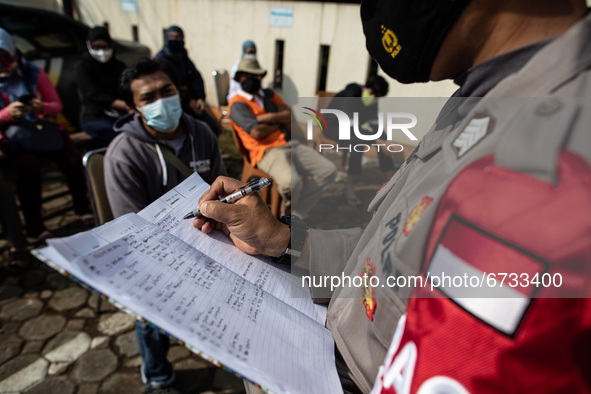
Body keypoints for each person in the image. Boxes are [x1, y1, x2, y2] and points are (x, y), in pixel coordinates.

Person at [193, 0, 591, 392]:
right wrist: (287, 241)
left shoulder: (560, 161)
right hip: (320, 345)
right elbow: (385, 254)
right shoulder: (480, 96)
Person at [104, 58, 226, 392]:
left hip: (207, 236)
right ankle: (157, 374)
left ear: (179, 91)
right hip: (155, 251)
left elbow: (220, 187)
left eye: (166, 91)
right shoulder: (124, 154)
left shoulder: (202, 133)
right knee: (148, 313)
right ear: (134, 107)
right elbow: (131, 226)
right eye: (147, 97)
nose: (161, 102)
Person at [0, 28, 92, 240]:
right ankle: (35, 226)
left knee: (72, 160)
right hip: (14, 138)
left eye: (4, 55)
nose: (2, 61)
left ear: (12, 51)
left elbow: (56, 105)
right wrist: (7, 114)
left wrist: (39, 107)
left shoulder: (32, 72)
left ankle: (84, 208)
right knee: (29, 170)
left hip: (44, 130)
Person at [229, 56, 337, 219]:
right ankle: (289, 211)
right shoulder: (237, 104)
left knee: (329, 171)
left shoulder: (269, 94)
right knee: (291, 182)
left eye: (256, 75)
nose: (253, 79)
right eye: (248, 75)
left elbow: (290, 115)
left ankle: (295, 212)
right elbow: (257, 132)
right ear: (239, 78)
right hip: (265, 151)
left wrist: (266, 118)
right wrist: (279, 121)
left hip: (289, 143)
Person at [325, 75, 392, 206]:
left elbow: (375, 124)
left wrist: (386, 142)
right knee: (358, 143)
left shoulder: (372, 103)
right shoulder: (350, 95)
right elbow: (349, 124)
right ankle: (350, 188)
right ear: (366, 88)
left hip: (350, 129)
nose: (374, 98)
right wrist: (378, 141)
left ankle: (390, 180)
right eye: (373, 93)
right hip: (332, 127)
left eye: (377, 96)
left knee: (382, 140)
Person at [154, 25, 220, 137]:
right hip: (174, 104)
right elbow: (167, 87)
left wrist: (199, 98)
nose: (174, 40)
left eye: (177, 37)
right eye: (171, 37)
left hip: (191, 103)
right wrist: (188, 101)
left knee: (212, 127)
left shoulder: (184, 58)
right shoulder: (161, 60)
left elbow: (196, 78)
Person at [75, 26, 130, 148]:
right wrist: (124, 105)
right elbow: (94, 94)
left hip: (120, 114)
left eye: (105, 47)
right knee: (117, 138)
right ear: (89, 46)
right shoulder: (83, 67)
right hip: (95, 115)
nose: (101, 52)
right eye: (96, 47)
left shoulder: (118, 66)